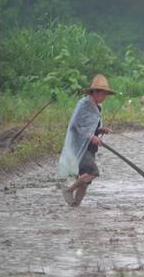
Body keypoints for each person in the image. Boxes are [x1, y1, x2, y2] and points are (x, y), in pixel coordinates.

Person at [58, 74, 115, 206]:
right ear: (95, 92)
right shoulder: (84, 104)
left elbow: (91, 127)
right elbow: (76, 126)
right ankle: (68, 190)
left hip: (90, 147)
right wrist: (91, 136)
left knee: (85, 181)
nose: (105, 97)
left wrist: (101, 130)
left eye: (106, 94)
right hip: (80, 146)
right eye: (103, 93)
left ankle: (75, 206)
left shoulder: (98, 107)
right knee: (93, 172)